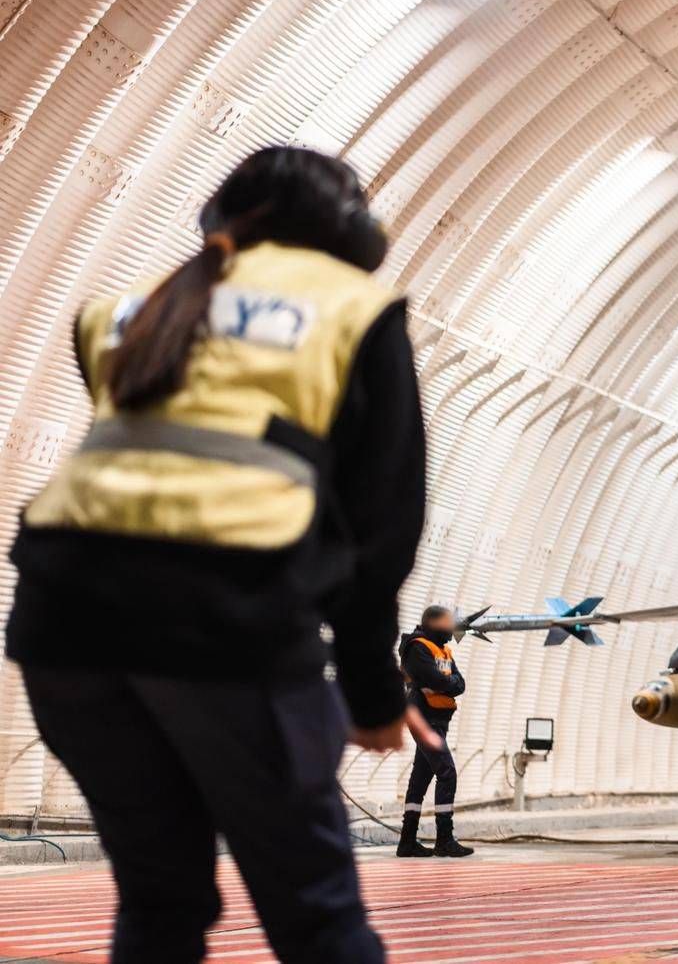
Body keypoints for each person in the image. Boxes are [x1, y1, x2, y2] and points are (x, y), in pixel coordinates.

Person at [6, 146, 432, 963]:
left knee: (159, 903)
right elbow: (379, 532)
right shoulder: (355, 309)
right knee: (318, 919)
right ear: (351, 227)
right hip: (226, 619)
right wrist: (373, 697)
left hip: (60, 626)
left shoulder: (128, 308)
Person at [395, 606, 474, 858]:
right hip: (423, 718)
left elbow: (459, 683)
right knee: (447, 772)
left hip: (439, 719)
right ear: (433, 623)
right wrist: (445, 683)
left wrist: (444, 684)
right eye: (447, 622)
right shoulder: (417, 648)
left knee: (420, 777)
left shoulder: (444, 651)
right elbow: (436, 679)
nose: (452, 628)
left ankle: (407, 841)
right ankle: (444, 839)